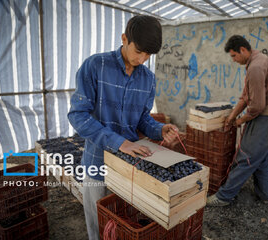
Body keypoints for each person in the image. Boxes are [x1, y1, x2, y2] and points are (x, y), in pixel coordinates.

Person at [68, 15, 178, 240]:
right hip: (97, 163)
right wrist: (120, 143)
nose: (143, 59)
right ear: (124, 39)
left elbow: (142, 120)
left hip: (131, 166)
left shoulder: (148, 79)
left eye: (148, 55)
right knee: (98, 223)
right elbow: (78, 115)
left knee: (124, 221)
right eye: (139, 51)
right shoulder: (95, 66)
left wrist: (159, 130)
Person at [206, 35, 268, 207]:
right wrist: (231, 116)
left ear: (243, 50)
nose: (234, 60)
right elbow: (245, 96)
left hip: (267, 119)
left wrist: (240, 121)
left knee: (246, 158)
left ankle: (223, 197)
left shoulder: (255, 68)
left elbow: (257, 106)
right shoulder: (259, 59)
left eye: (234, 56)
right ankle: (264, 195)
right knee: (263, 160)